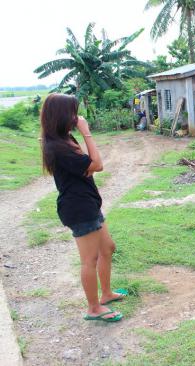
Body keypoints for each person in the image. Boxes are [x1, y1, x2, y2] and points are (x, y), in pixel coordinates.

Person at [40, 94, 126, 322]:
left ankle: (106, 294)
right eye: (72, 111)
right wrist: (87, 132)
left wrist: (89, 165)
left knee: (108, 248)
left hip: (88, 202)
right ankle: (93, 308)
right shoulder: (57, 146)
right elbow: (97, 164)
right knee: (90, 259)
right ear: (61, 114)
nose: (76, 116)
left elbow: (90, 166)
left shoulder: (66, 138)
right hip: (78, 207)